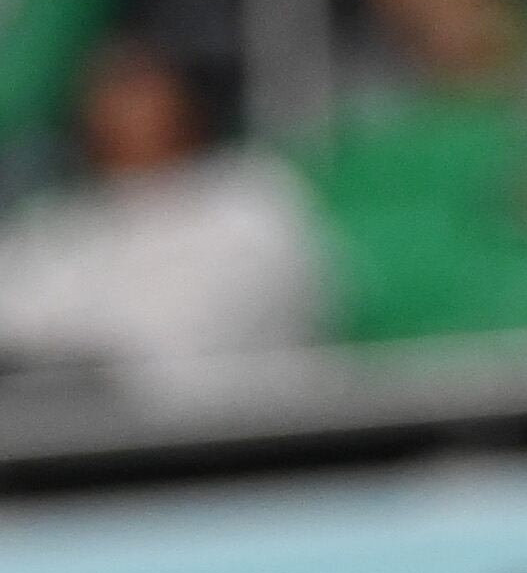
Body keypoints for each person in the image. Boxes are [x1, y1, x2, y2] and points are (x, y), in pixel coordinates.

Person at [0, 29, 326, 385]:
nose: (121, 104)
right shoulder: (52, 222)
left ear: (185, 95)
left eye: (137, 83)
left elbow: (201, 344)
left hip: (231, 429)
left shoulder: (251, 197)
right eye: (108, 86)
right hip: (72, 428)